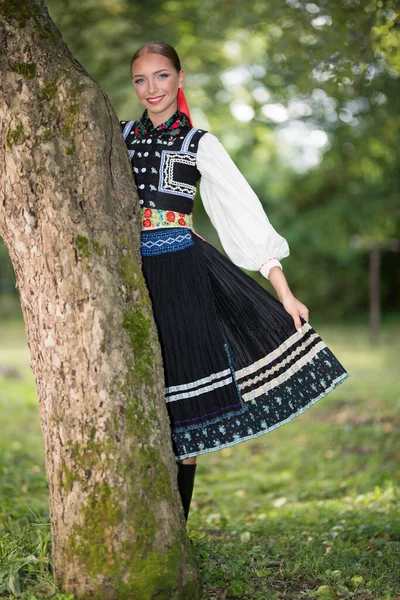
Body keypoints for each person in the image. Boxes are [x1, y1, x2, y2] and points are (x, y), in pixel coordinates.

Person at [119, 40, 349, 524]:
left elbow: (243, 215)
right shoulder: (116, 135)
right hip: (123, 279)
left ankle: (173, 533)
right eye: (141, 79)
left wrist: (283, 290)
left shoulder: (199, 143)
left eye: (161, 76)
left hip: (182, 277)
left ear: (179, 79)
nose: (151, 88)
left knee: (184, 418)